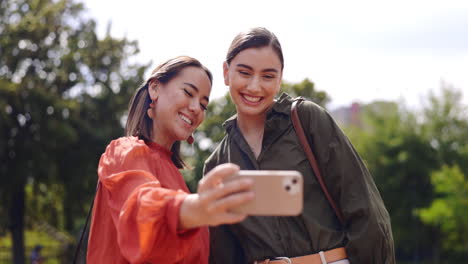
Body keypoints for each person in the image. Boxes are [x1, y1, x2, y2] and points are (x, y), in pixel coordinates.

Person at [203, 27, 396, 264]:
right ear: (226, 72)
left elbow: (365, 210)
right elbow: (225, 254)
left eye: (268, 76)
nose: (254, 86)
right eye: (245, 72)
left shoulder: (306, 120)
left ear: (280, 78)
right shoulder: (218, 164)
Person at [86, 56, 254, 264]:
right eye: (188, 92)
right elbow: (141, 207)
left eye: (203, 104)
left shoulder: (177, 179)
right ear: (155, 88)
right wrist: (195, 207)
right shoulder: (124, 152)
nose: (196, 108)